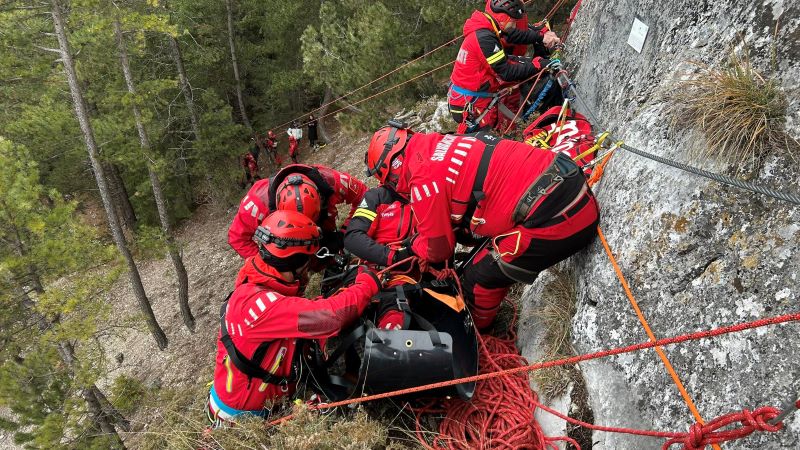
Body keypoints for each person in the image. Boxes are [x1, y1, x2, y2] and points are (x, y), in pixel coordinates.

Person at [364, 122, 599, 330]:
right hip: (567, 184)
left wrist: (413, 245)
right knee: (477, 248)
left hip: (559, 219)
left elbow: (438, 249)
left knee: (477, 278)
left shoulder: (422, 179)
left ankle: (482, 333)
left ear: (392, 168)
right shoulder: (443, 141)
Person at [208, 210, 383, 424]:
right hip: (246, 417)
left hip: (243, 398)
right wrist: (367, 284)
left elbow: (294, 312)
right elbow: (331, 318)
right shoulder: (261, 305)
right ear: (296, 261)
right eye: (308, 262)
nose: (309, 270)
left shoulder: (256, 278)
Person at [448, 0, 562, 134]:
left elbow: (512, 44)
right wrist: (538, 65)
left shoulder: (487, 30)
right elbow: (506, 72)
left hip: (468, 99)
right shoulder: (485, 38)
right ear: (503, 19)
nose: (514, 25)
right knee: (490, 140)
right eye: (513, 21)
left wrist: (538, 41)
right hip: (471, 105)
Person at [228, 163, 367, 260]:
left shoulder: (332, 181)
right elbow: (238, 238)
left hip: (325, 234)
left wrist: (347, 232)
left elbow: (364, 196)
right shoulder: (258, 201)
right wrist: (267, 262)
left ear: (321, 198)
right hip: (285, 244)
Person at [344, 184, 415, 330]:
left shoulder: (428, 194)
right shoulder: (376, 197)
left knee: (396, 308)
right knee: (347, 306)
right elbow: (353, 237)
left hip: (405, 275)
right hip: (371, 269)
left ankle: (389, 335)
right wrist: (393, 257)